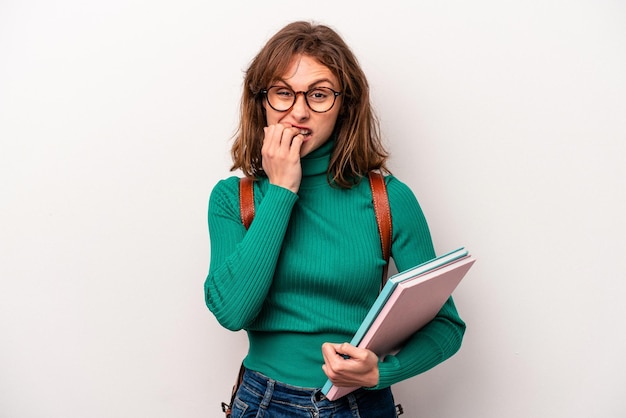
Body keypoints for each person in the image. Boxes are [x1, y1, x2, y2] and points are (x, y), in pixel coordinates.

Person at [204, 20, 466, 418]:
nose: (299, 111)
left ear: (345, 104)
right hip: (263, 404)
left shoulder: (389, 199)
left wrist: (381, 371)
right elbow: (232, 313)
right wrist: (281, 191)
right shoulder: (233, 199)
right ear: (261, 100)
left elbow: (447, 326)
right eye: (282, 93)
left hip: (359, 405)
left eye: (319, 94)